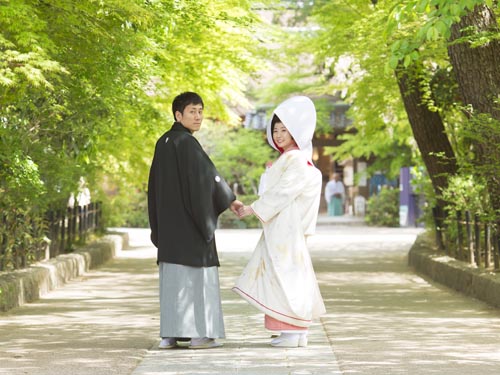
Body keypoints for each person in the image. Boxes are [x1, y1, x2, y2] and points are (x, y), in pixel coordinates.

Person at [147, 91, 242, 349]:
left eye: (200, 111)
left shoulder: (163, 142)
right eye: (192, 111)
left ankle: (169, 335)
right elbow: (205, 179)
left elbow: (152, 188)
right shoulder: (187, 143)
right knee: (196, 279)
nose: (198, 116)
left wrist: (157, 228)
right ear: (178, 115)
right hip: (190, 229)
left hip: (168, 229)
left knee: (172, 282)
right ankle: (200, 335)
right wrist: (228, 199)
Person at [232, 96, 326, 348]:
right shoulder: (295, 158)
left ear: (295, 132)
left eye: (285, 129)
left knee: (285, 276)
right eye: (276, 130)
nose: (279, 134)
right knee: (287, 274)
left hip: (285, 229)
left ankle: (292, 331)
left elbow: (283, 191)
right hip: (284, 228)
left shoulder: (295, 159)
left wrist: (253, 208)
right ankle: (295, 332)